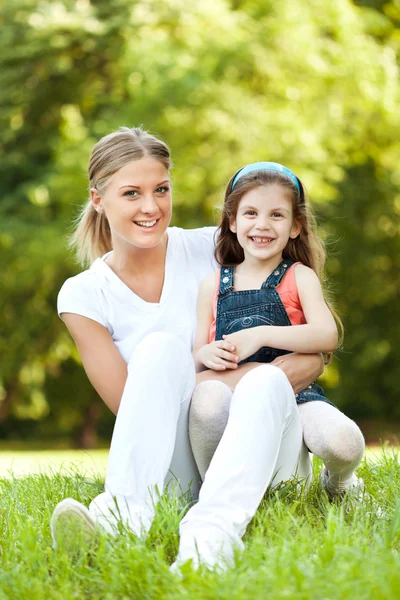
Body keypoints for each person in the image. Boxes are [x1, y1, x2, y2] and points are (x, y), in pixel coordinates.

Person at [49, 127, 351, 569]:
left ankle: (209, 544)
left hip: (260, 440)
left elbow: (310, 356)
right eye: (131, 193)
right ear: (98, 199)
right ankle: (119, 520)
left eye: (161, 189)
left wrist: (239, 371)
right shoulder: (82, 295)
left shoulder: (214, 248)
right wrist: (210, 370)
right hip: (173, 462)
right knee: (160, 350)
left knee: (262, 383)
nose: (151, 207)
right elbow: (134, 408)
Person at [187, 163, 365, 509]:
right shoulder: (213, 285)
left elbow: (327, 335)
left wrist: (261, 334)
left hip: (295, 395)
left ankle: (341, 483)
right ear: (233, 222)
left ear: (296, 226)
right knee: (205, 401)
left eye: (277, 215)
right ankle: (217, 494)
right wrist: (205, 354)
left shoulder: (298, 276)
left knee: (342, 442)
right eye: (251, 212)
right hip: (231, 398)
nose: (263, 224)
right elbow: (197, 353)